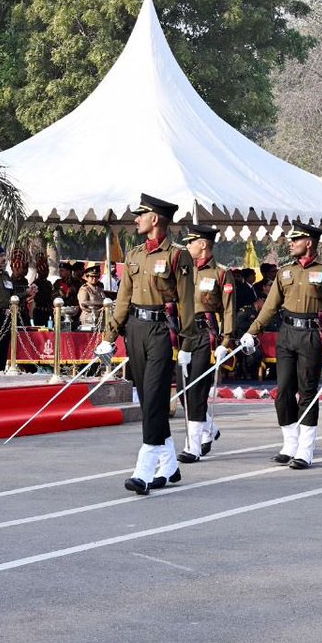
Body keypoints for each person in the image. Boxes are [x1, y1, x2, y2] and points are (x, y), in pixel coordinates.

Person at [96, 195, 195, 495]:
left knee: (154, 397)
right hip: (135, 330)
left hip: (160, 331)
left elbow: (187, 303)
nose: (136, 219)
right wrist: (109, 337)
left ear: (155, 219)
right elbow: (123, 298)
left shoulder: (179, 256)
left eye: (141, 215)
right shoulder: (135, 254)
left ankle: (144, 468)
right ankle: (169, 463)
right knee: (146, 398)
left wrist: (188, 343)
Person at [240, 222, 322, 470]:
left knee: (308, 392)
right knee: (284, 390)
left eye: (295, 239)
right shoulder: (285, 272)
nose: (291, 243)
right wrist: (251, 331)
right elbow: (270, 306)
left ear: (309, 242)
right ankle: (290, 443)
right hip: (287, 333)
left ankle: (306, 449)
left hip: (311, 335)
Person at [176, 225, 235, 463]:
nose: (187, 246)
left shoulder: (221, 274)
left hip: (204, 334)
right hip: (182, 333)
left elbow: (229, 310)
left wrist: (227, 340)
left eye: (191, 242)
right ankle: (208, 427)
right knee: (182, 388)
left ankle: (193, 445)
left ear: (202, 244)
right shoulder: (183, 270)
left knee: (197, 389)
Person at [78, 264, 105, 329]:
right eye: (92, 276)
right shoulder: (84, 288)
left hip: (100, 317)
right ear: (87, 277)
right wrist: (101, 303)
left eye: (96, 276)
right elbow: (83, 303)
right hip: (88, 317)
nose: (94, 279)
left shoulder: (100, 287)